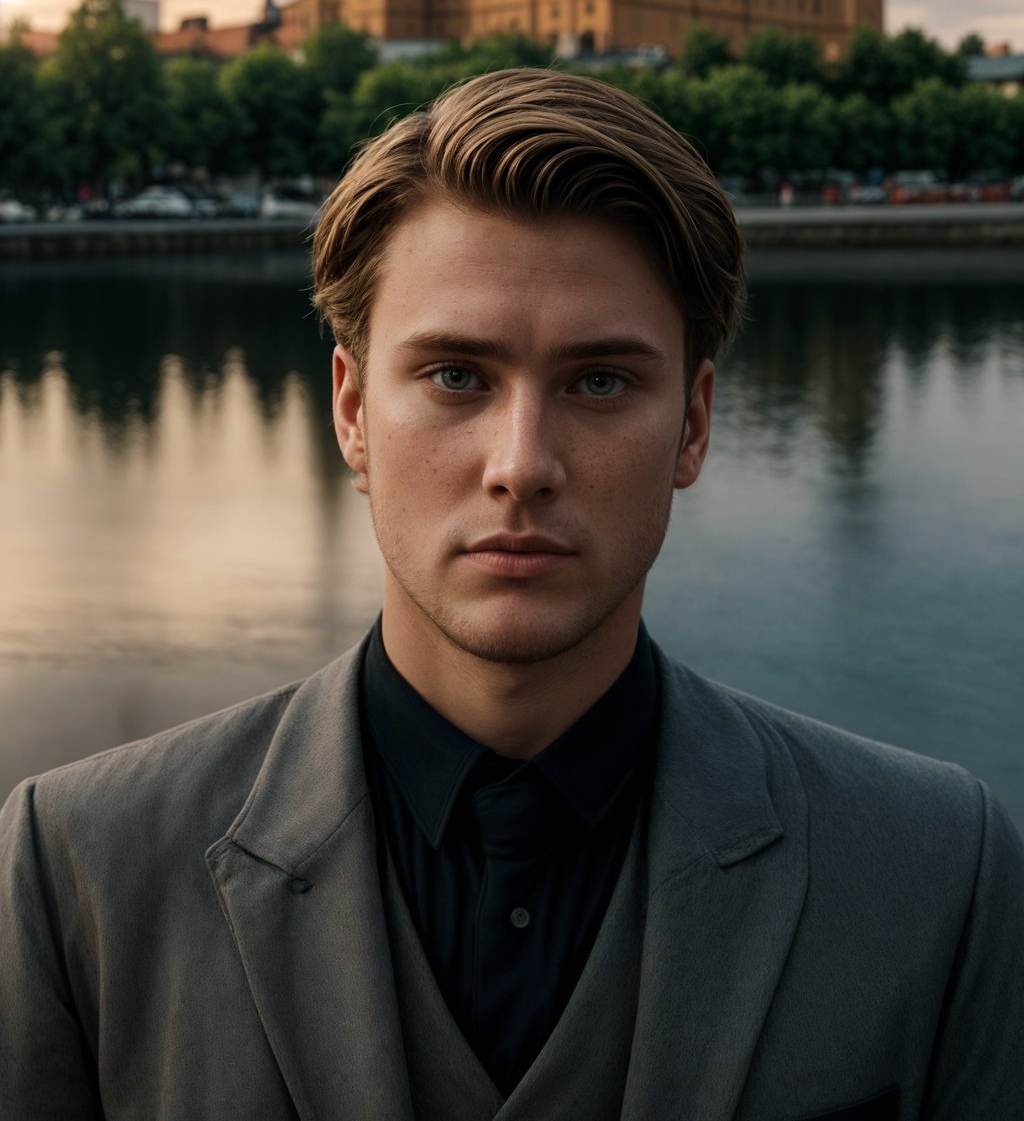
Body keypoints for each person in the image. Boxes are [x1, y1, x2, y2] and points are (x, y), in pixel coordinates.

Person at [1, 69, 1022, 1120]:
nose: (521, 464)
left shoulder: (940, 872)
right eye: (455, 376)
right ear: (351, 412)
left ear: (695, 424)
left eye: (598, 382)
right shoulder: (75, 865)